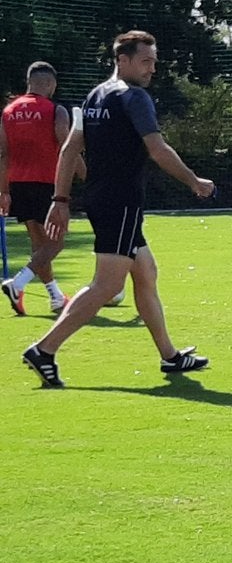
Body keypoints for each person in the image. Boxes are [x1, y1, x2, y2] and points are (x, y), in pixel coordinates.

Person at [21, 31, 215, 388]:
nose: (151, 69)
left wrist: (61, 199)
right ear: (121, 60)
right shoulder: (134, 98)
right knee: (106, 286)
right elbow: (157, 149)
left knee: (146, 272)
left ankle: (170, 356)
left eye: (154, 62)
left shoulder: (94, 95)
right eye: (145, 61)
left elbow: (69, 150)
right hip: (121, 202)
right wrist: (193, 181)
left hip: (101, 199)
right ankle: (44, 349)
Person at [2, 61, 70, 316]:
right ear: (51, 84)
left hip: (18, 183)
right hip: (47, 185)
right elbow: (67, 148)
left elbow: (3, 155)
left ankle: (55, 297)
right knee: (55, 245)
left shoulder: (9, 111)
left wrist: (4, 192)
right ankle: (17, 284)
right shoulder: (54, 110)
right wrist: (89, 175)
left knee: (39, 245)